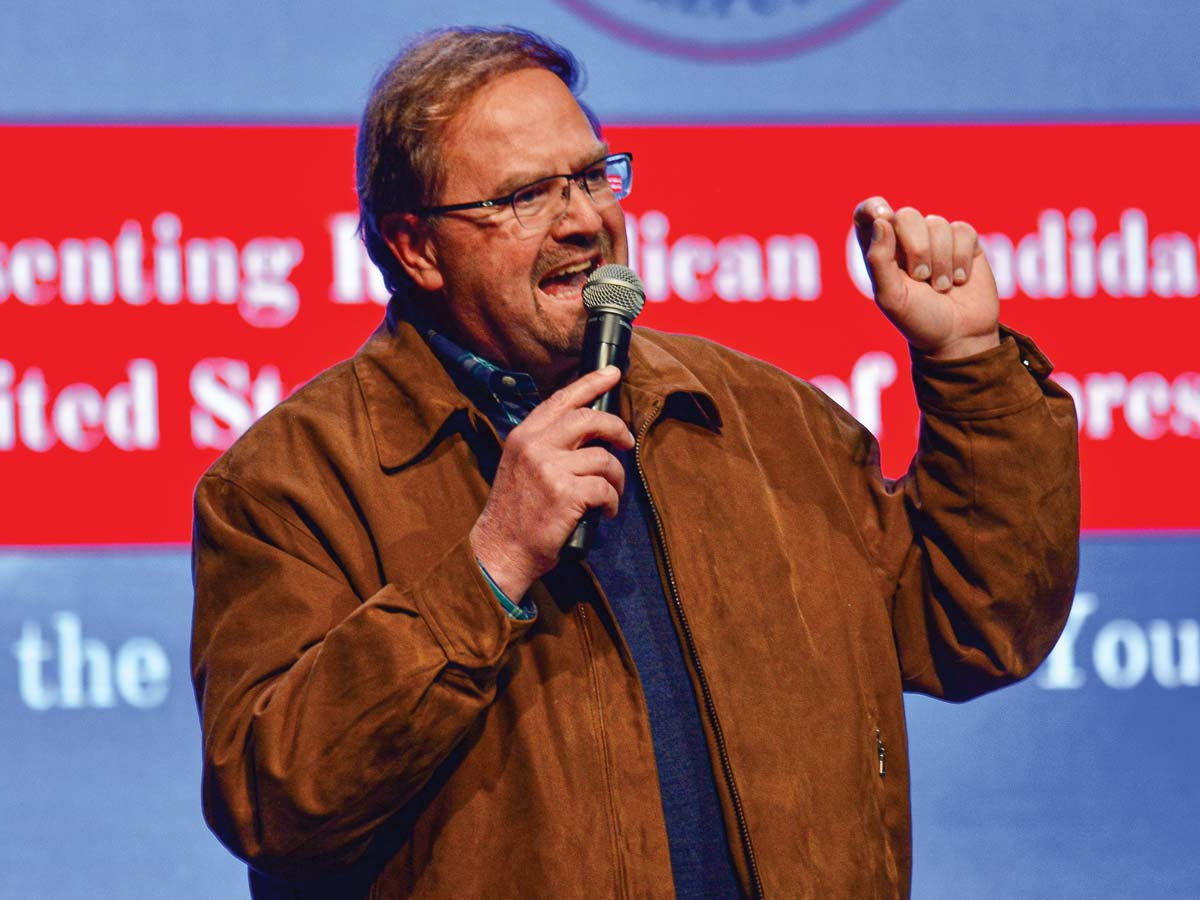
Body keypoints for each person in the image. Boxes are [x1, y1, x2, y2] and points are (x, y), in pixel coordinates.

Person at [190, 26, 1080, 900]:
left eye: (589, 175)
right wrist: (490, 565)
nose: (584, 220)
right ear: (416, 246)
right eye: (525, 196)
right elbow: (273, 806)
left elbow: (977, 627)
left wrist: (972, 370)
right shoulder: (288, 484)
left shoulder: (760, 419)